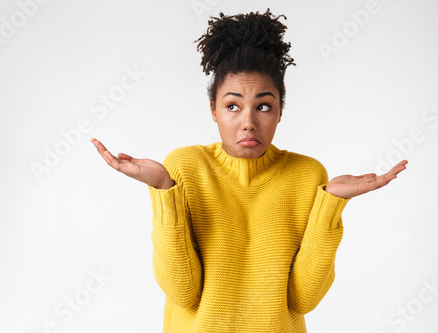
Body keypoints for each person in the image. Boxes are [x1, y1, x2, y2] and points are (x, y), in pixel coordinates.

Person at [90, 8, 408, 333]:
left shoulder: (308, 176)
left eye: (263, 106)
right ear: (213, 110)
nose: (248, 122)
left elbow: (304, 300)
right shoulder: (184, 168)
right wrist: (163, 190)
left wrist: (331, 204)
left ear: (280, 111)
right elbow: (183, 292)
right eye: (232, 106)